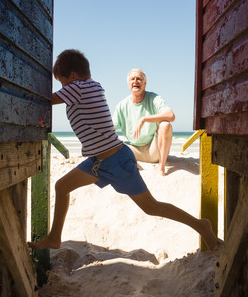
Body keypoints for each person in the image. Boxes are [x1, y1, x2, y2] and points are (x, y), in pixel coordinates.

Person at [27, 49, 217, 252]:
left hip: (117, 161)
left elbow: (45, 99)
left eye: (62, 82)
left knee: (151, 207)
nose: (62, 88)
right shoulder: (93, 87)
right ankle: (55, 238)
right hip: (98, 162)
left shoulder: (79, 88)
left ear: (73, 77)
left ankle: (200, 225)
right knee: (62, 186)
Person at [113, 69, 174, 176]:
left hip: (154, 151)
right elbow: (110, 128)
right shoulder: (122, 105)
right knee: (113, 142)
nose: (135, 81)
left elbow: (171, 115)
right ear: (128, 84)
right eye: (132, 79)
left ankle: (161, 167)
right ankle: (133, 165)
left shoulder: (154, 98)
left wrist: (144, 119)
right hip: (133, 151)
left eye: (139, 79)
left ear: (145, 83)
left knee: (165, 125)